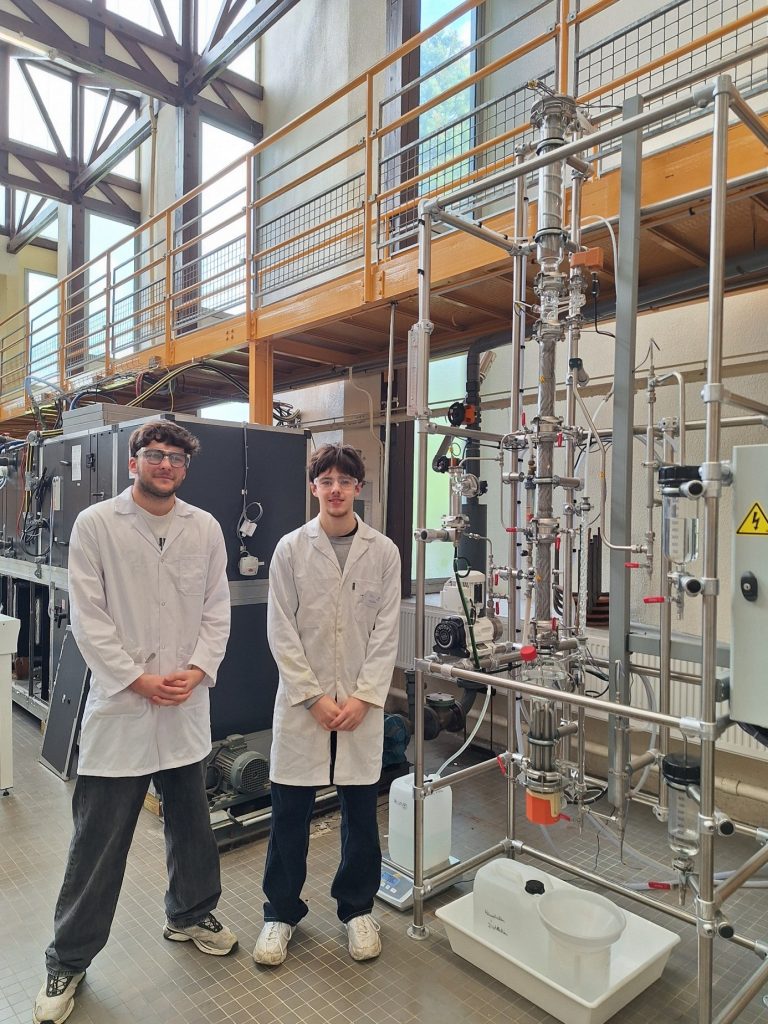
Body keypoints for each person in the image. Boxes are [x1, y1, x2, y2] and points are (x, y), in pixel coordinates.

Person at [34, 420, 236, 1024]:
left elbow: (217, 609)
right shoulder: (97, 525)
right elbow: (88, 618)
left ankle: (190, 913)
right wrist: (137, 679)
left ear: (185, 468)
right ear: (133, 462)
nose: (165, 464)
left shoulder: (204, 528)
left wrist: (197, 670)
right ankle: (68, 958)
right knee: (98, 839)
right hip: (123, 706)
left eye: (176, 457)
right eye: (155, 455)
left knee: (192, 825)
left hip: (184, 704)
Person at [253, 443, 401, 966]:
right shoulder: (291, 549)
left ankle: (357, 910)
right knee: (289, 815)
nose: (335, 489)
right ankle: (280, 913)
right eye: (326, 481)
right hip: (303, 707)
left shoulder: (383, 552)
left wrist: (364, 697)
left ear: (358, 488)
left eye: (345, 481)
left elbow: (386, 632)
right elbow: (280, 629)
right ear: (313, 487)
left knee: (361, 814)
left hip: (360, 707)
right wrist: (312, 697)